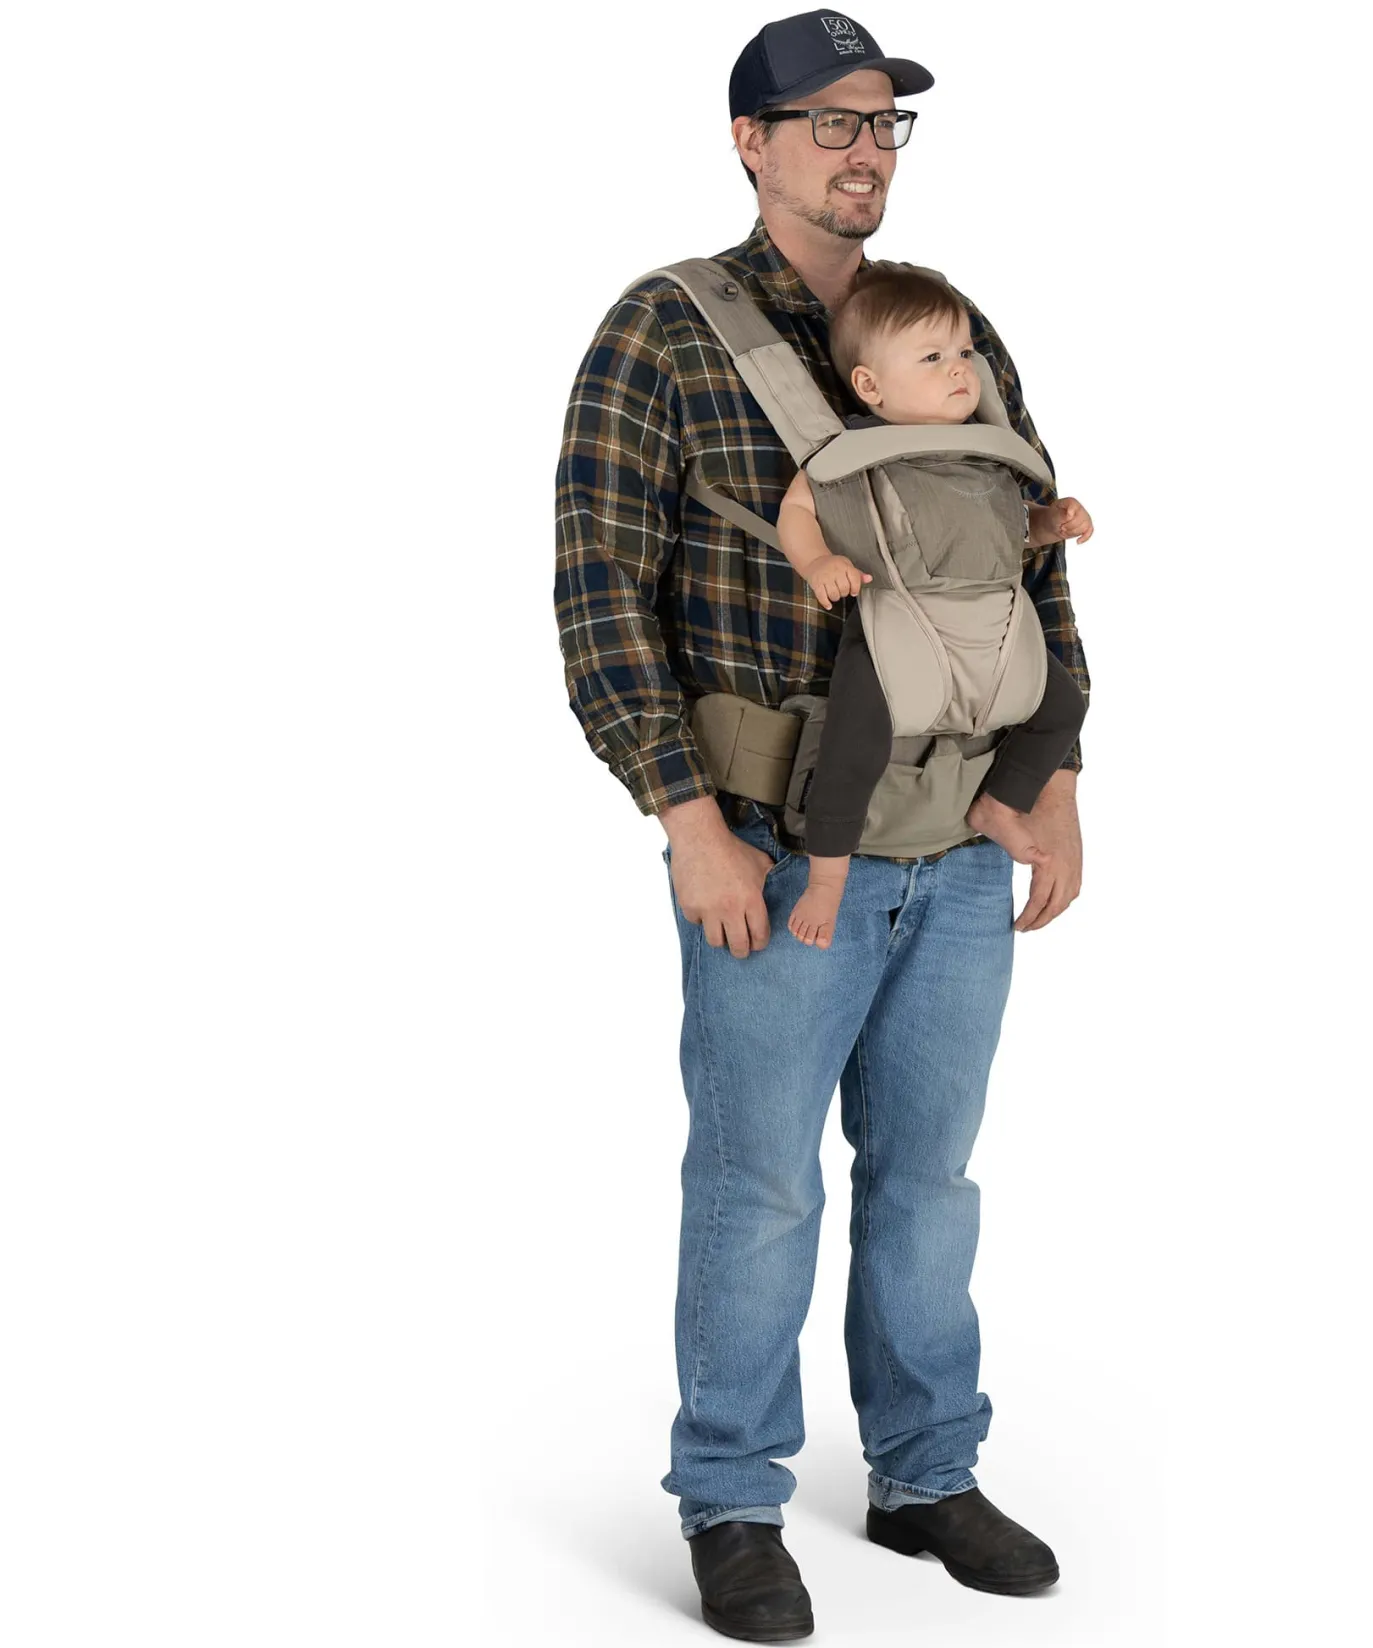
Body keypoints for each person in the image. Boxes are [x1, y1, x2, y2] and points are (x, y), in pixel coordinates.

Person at [554, 11, 1090, 1641]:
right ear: (750, 140)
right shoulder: (667, 332)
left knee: (930, 1181)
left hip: (956, 840)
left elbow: (1029, 558)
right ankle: (730, 1497)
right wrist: (684, 819)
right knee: (760, 1187)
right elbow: (599, 593)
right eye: (829, 122)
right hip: (775, 844)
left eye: (883, 123)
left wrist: (1055, 774)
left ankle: (926, 1471)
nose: (863, 150)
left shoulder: (947, 327)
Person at [775, 263, 1094, 947]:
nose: (958, 369)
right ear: (870, 386)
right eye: (931, 357)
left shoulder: (988, 454)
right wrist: (819, 562)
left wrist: (1051, 523)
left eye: (963, 353)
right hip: (899, 627)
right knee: (852, 746)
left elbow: (1010, 532)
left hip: (994, 631)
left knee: (1064, 708)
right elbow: (796, 512)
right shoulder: (849, 453)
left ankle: (1000, 804)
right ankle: (827, 877)